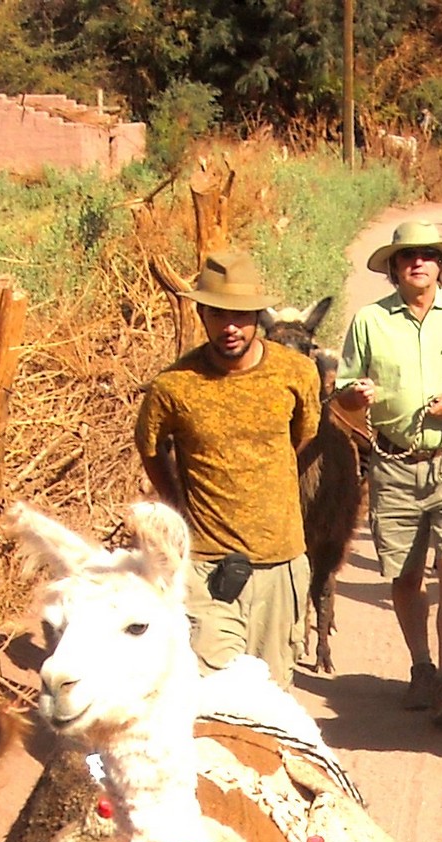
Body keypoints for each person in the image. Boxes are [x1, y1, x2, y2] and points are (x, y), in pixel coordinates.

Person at [338, 219, 442, 728]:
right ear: (394, 267)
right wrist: (354, 396)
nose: (418, 262)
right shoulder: (370, 320)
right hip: (393, 464)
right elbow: (344, 392)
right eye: (407, 256)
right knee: (406, 575)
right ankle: (420, 665)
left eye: (428, 255)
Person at [131, 250, 322, 686]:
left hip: (280, 564)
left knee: (272, 699)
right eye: (218, 314)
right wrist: (177, 505)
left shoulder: (296, 372)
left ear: (258, 316)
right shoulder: (174, 386)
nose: (230, 326)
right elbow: (150, 447)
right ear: (201, 313)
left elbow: (302, 436)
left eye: (240, 314)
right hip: (205, 566)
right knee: (211, 696)